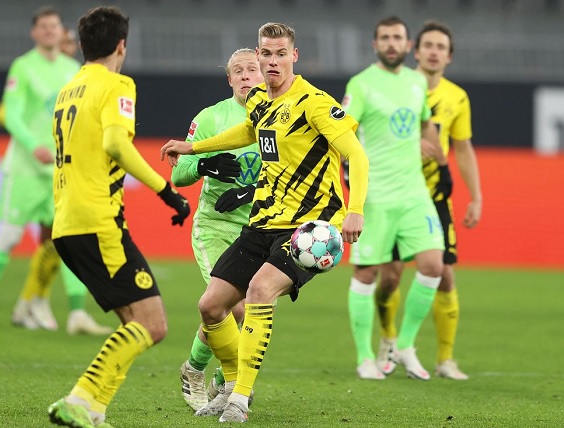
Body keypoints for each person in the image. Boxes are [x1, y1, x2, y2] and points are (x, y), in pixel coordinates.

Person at [161, 22, 369, 423]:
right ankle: (229, 385)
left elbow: (356, 155)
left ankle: (239, 397)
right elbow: (247, 130)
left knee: (259, 291)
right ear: (258, 56)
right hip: (263, 221)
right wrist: (194, 147)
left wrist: (356, 208)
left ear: (294, 56)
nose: (272, 61)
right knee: (211, 306)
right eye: (266, 54)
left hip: (309, 229)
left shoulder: (314, 102)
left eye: (280, 54)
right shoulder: (259, 100)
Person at [46, 6, 190, 428]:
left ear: (82, 44)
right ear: (121, 46)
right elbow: (115, 144)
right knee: (154, 324)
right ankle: (78, 398)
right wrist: (166, 191)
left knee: (132, 321)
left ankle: (93, 410)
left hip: (66, 222)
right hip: (98, 221)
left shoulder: (68, 89)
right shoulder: (117, 84)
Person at [0, 6, 111, 335]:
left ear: (61, 32)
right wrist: (34, 145)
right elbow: (12, 114)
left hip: (60, 172)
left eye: (54, 26)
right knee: (9, 236)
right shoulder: (23, 67)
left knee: (70, 242)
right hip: (25, 170)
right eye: (43, 26)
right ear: (34, 32)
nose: (49, 30)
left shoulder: (72, 69)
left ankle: (76, 313)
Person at [374, 20, 482, 381]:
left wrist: (476, 196)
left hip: (433, 197)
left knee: (445, 275)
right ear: (415, 51)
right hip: (394, 192)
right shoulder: (393, 88)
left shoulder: (457, 97)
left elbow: (463, 148)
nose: (434, 52)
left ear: (448, 57)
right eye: (428, 46)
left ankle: (445, 359)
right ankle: (389, 340)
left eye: (441, 47)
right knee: (389, 277)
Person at [342, 16, 448, 381]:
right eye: (385, 38)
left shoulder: (417, 82)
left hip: (414, 193)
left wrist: (440, 160)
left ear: (408, 45)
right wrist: (346, 179)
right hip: (376, 196)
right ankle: (364, 356)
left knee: (433, 265)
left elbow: (424, 122)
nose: (391, 43)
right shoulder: (361, 84)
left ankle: (404, 345)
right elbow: (342, 132)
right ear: (375, 44)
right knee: (367, 272)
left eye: (397, 38)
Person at [171, 48, 264, 411]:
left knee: (246, 309)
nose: (245, 75)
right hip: (215, 226)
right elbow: (179, 174)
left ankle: (204, 373)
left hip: (260, 229)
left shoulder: (280, 117)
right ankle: (228, 380)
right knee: (234, 307)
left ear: (265, 74)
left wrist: (251, 191)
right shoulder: (211, 118)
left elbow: (291, 172)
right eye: (238, 71)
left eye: (252, 69)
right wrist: (205, 165)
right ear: (229, 80)